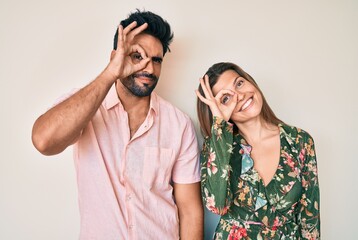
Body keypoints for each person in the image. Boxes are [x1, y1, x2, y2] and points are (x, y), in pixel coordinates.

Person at [32, 10, 203, 240]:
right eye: (137, 56)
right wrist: (111, 72)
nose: (149, 68)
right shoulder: (85, 106)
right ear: (117, 56)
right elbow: (44, 141)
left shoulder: (179, 125)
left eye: (156, 60)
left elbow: (190, 210)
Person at [196, 62, 320, 239]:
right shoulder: (217, 146)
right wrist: (219, 126)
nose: (239, 96)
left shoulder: (300, 141)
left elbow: (310, 218)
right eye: (226, 98)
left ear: (250, 82)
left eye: (239, 83)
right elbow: (216, 205)